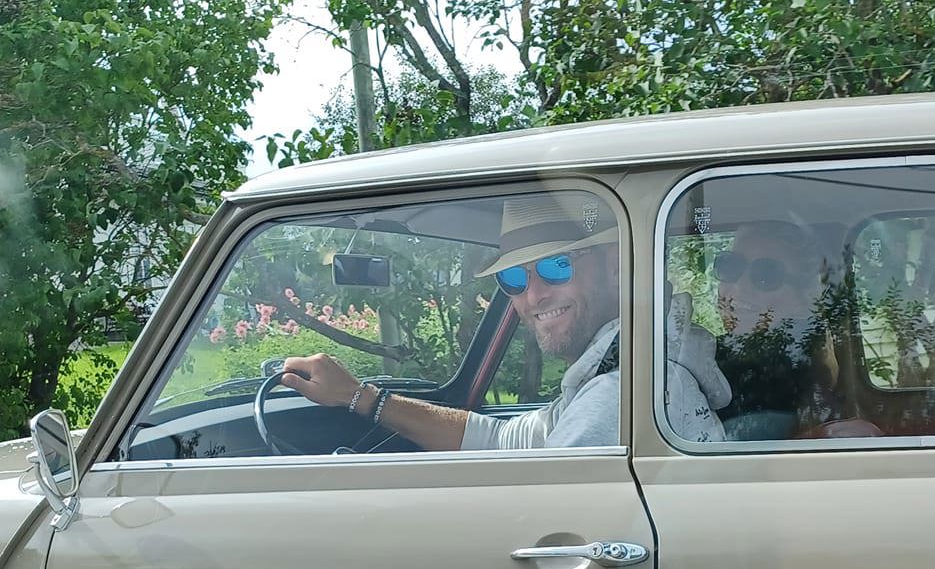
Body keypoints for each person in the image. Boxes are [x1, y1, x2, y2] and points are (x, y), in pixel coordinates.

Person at [279, 192, 730, 448]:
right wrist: (360, 397)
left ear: (615, 264)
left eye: (556, 266)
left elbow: (538, 523)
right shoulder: (632, 365)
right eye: (513, 277)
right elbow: (503, 440)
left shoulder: (616, 394)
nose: (533, 294)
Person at [711, 216, 840, 435]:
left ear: (802, 301)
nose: (739, 286)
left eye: (766, 275)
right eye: (730, 266)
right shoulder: (709, 353)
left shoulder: (795, 370)